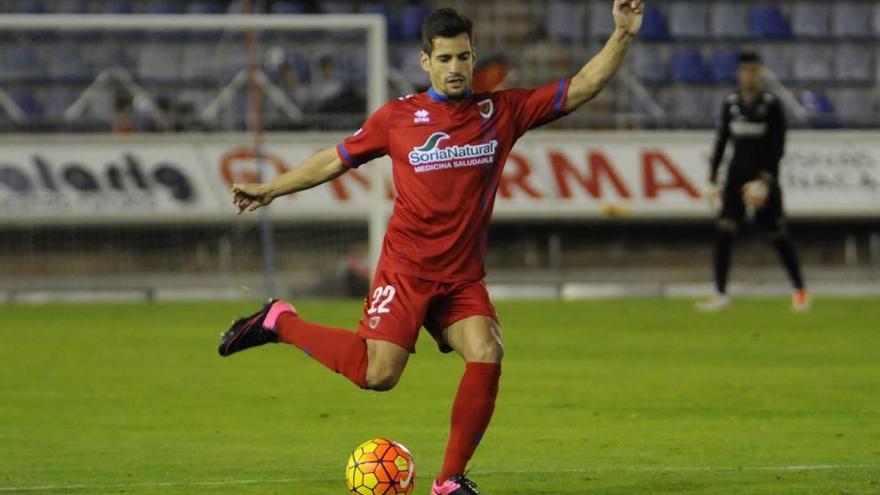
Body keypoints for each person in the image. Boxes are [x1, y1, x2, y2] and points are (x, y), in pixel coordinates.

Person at [219, 3, 643, 493]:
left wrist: (622, 35)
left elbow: (583, 86)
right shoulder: (398, 118)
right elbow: (334, 161)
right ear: (426, 62)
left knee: (487, 349)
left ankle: (448, 481)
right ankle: (279, 322)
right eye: (444, 59)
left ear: (473, 56)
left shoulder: (500, 112)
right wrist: (271, 188)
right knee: (378, 375)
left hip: (461, 277)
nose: (456, 68)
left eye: (463, 57)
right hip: (406, 271)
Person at [697, 51, 809, 313]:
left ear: (759, 73)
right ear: (739, 73)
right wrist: (712, 177)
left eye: (752, 70)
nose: (748, 75)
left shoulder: (771, 104)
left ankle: (800, 289)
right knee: (725, 231)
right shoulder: (731, 103)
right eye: (744, 70)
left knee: (776, 233)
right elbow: (722, 139)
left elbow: (778, 146)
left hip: (762, 177)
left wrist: (766, 180)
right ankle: (720, 293)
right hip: (736, 175)